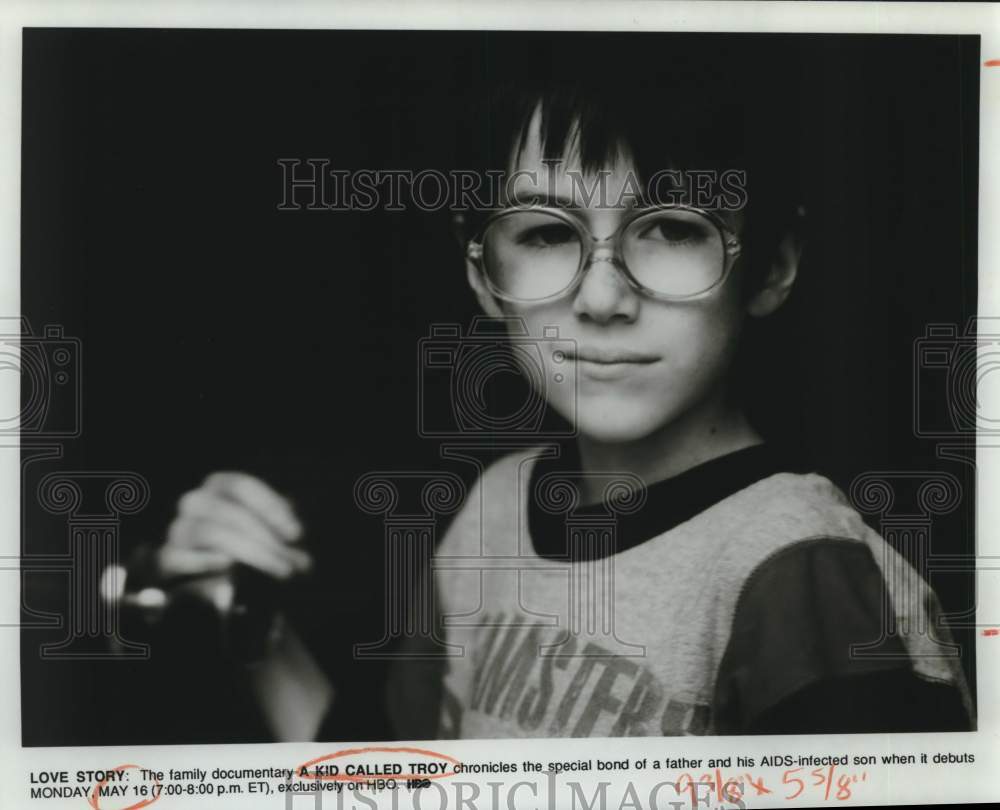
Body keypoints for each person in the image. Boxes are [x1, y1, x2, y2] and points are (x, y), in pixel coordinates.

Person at [132, 43, 974, 740]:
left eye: (673, 226)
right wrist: (256, 626)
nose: (603, 300)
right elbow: (387, 783)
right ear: (483, 272)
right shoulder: (494, 509)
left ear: (774, 264)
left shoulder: (800, 568)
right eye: (543, 232)